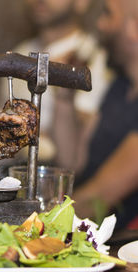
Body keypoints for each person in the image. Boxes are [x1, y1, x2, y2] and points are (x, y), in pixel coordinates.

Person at [0, 0, 113, 166]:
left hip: (56, 175)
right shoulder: (19, 53)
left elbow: (83, 136)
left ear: (81, 3)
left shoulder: (93, 57)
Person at [70, 0, 138, 229]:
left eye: (108, 14)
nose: (99, 24)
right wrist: (64, 99)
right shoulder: (120, 86)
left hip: (121, 245)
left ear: (134, 27)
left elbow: (99, 196)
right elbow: (75, 161)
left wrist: (33, 219)